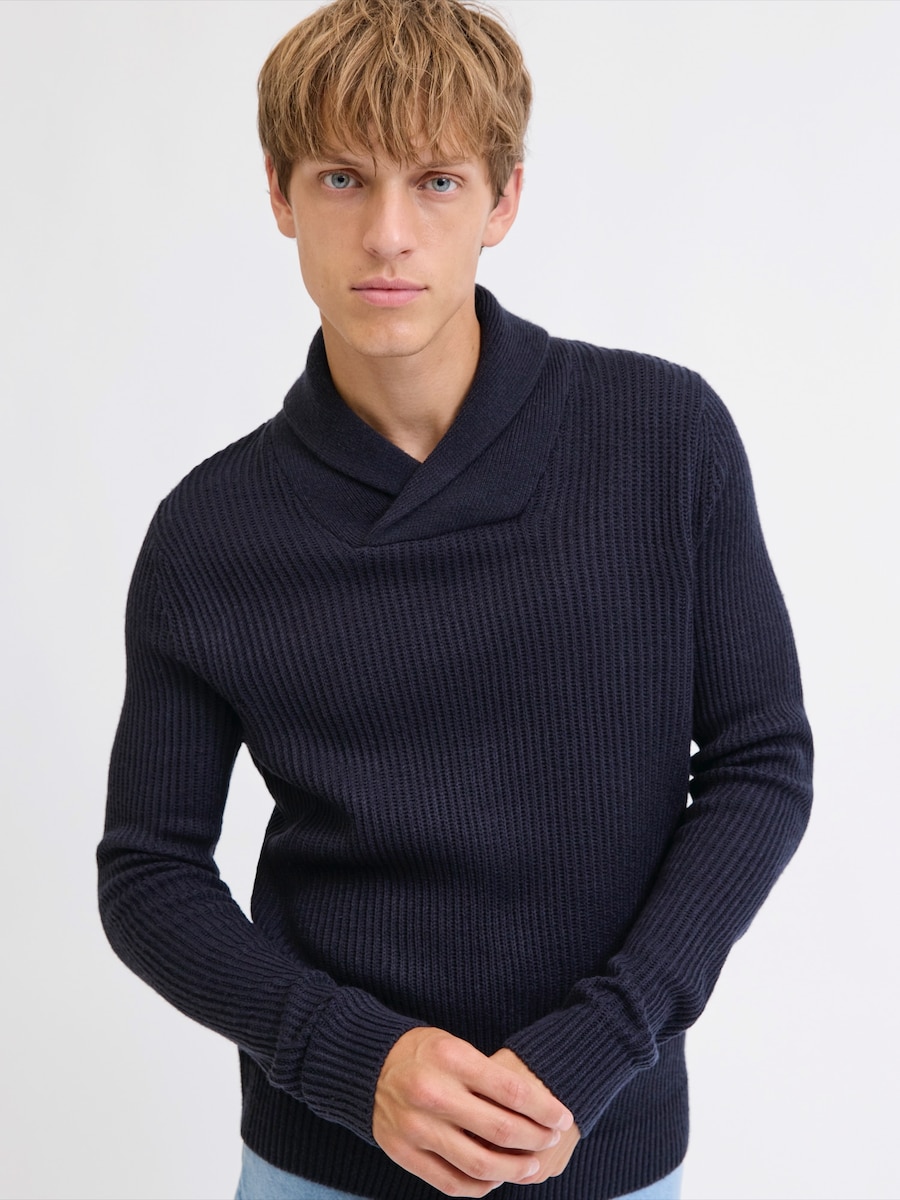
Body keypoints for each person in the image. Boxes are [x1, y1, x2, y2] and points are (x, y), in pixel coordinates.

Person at [97, 1, 813, 1197]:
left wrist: (602, 1044)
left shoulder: (663, 439)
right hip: (322, 1163)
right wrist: (353, 1061)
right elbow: (150, 872)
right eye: (341, 178)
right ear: (279, 194)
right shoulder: (210, 532)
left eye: (436, 181)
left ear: (504, 199)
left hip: (608, 1153)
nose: (388, 235)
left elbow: (760, 760)